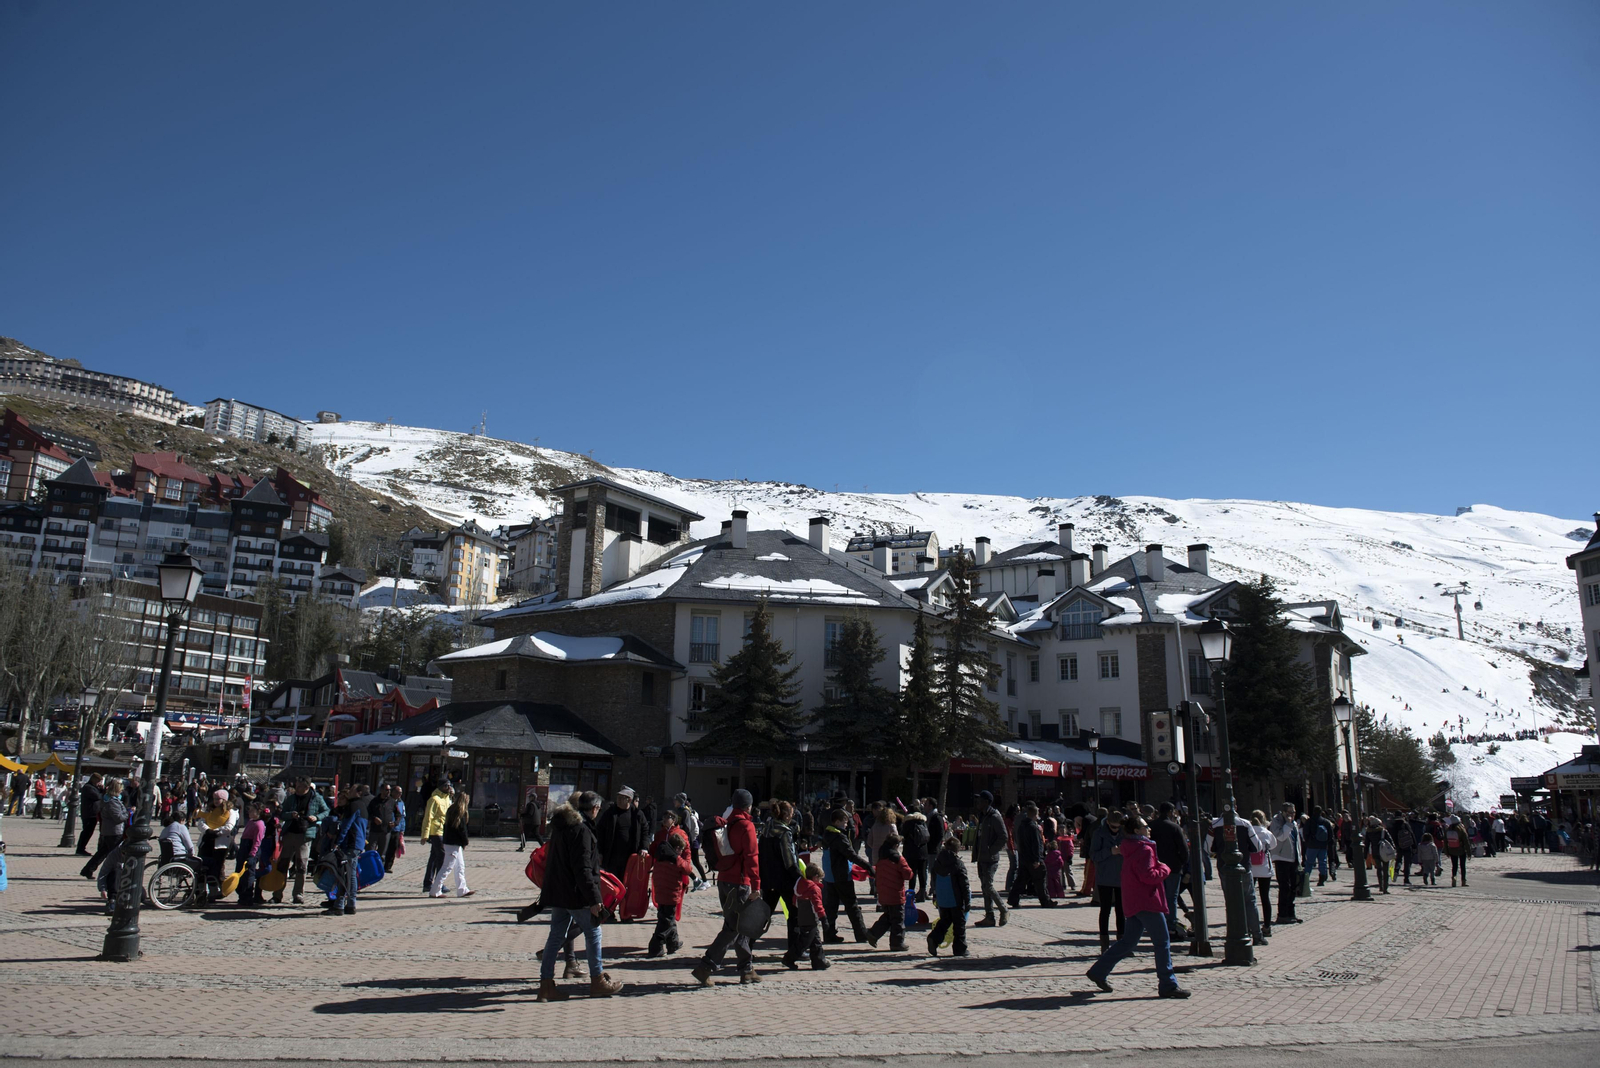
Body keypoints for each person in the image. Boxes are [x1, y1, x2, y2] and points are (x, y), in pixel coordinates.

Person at [1085, 815, 1190, 999]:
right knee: (1162, 942)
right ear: (1136, 830)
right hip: (1147, 901)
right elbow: (1148, 876)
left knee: (1128, 941)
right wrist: (1165, 869)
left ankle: (1099, 971)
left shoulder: (1129, 847)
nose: (1148, 828)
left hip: (1133, 900)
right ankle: (1168, 983)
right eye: (1144, 826)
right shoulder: (1144, 849)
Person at [537, 791, 620, 1000]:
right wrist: (594, 900)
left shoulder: (561, 827)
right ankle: (597, 980)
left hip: (558, 891)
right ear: (594, 809)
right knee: (594, 932)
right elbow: (583, 868)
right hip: (574, 894)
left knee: (555, 936)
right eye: (598, 809)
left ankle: (546, 984)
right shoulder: (580, 830)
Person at [691, 789, 762, 986]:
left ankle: (747, 969)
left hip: (723, 880)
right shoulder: (747, 826)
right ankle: (706, 966)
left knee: (739, 925)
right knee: (733, 928)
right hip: (739, 883)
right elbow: (751, 857)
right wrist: (756, 885)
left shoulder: (727, 822)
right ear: (749, 806)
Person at [818, 806, 872, 944]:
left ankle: (829, 934)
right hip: (841, 875)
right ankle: (861, 934)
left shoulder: (827, 834)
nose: (847, 824)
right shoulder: (839, 837)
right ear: (836, 822)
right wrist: (868, 867)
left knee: (831, 907)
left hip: (829, 876)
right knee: (852, 905)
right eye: (844, 821)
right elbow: (851, 855)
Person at [758, 801, 803, 959]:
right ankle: (795, 950)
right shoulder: (784, 832)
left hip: (768, 879)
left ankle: (746, 946)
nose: (793, 816)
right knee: (794, 914)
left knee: (763, 915)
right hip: (784, 880)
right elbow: (789, 860)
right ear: (785, 815)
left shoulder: (766, 828)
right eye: (791, 813)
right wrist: (800, 878)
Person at [275, 778, 329, 905]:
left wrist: (316, 817)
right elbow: (282, 814)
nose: (297, 788)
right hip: (290, 833)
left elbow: (326, 811)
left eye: (300, 786)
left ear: (307, 787)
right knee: (283, 864)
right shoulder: (291, 798)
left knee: (301, 866)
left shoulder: (316, 798)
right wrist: (290, 815)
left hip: (305, 835)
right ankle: (277, 894)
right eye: (297, 786)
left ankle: (298, 894)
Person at [647, 829, 693, 958]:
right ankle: (655, 946)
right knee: (665, 921)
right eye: (681, 850)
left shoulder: (661, 856)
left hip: (661, 891)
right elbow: (687, 869)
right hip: (670, 892)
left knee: (668, 918)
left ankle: (673, 943)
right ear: (677, 848)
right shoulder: (675, 858)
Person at [323, 787, 368, 916]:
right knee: (351, 875)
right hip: (358, 843)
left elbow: (346, 826)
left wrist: (337, 842)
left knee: (344, 875)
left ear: (359, 792)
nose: (350, 791)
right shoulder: (362, 805)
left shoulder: (353, 806)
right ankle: (351, 904)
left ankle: (339, 905)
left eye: (353, 789)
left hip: (350, 843)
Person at [865, 834, 913, 951]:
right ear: (896, 845)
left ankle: (873, 933)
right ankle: (896, 943)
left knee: (888, 917)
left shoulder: (881, 857)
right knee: (897, 920)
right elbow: (908, 875)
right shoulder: (898, 859)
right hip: (895, 894)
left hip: (884, 893)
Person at [928, 835, 970, 958]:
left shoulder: (938, 861)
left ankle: (934, 938)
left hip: (943, 898)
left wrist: (935, 895)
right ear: (957, 849)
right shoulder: (958, 863)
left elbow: (934, 879)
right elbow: (964, 884)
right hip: (955, 898)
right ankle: (960, 949)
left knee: (945, 921)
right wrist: (967, 901)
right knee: (959, 924)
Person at [1152, 802, 1189, 938]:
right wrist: (1182, 863)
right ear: (1170, 812)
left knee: (1157, 896)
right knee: (1171, 897)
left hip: (1155, 867)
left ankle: (1157, 923)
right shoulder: (1175, 827)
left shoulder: (1152, 826)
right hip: (1173, 867)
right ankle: (1171, 925)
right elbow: (1184, 850)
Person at [1090, 810, 1126, 950]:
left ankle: (1122, 943)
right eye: (1113, 827)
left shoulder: (1124, 834)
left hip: (1121, 877)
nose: (1116, 829)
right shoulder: (1099, 833)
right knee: (1105, 910)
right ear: (1108, 823)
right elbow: (1093, 855)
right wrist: (1110, 851)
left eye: (1118, 827)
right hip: (1104, 877)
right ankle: (1104, 944)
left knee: (1121, 911)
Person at [783, 861, 829, 970]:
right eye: (820, 878)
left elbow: (794, 901)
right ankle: (789, 958)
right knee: (804, 942)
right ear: (815, 877)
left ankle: (819, 961)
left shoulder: (800, 885)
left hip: (802, 916)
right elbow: (817, 905)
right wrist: (823, 918)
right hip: (811, 918)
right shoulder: (814, 889)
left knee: (815, 940)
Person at [595, 787, 649, 879]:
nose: (618, 800)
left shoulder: (637, 814)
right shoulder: (610, 813)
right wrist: (599, 852)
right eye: (618, 797)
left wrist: (644, 847)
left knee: (628, 880)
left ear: (629, 800)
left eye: (622, 798)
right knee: (612, 881)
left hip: (630, 855)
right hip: (612, 855)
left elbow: (645, 831)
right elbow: (600, 832)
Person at [430, 792, 476, 898]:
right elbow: (462, 830)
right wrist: (465, 841)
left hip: (450, 842)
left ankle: (462, 889)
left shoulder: (451, 810)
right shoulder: (460, 812)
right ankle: (435, 890)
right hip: (454, 843)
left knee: (460, 866)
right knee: (447, 867)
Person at [1009, 801, 1054, 909]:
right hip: (1033, 858)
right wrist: (1037, 859)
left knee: (1021, 880)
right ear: (1034, 814)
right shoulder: (1033, 827)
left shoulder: (1021, 826)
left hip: (1024, 857)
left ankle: (1013, 899)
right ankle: (1045, 901)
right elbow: (1036, 844)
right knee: (1040, 879)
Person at [80, 779, 127, 881]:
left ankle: (88, 869)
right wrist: (128, 813)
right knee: (116, 855)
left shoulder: (109, 799)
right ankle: (114, 876)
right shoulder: (111, 802)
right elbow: (118, 817)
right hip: (114, 831)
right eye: (120, 790)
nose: (121, 792)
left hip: (109, 830)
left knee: (102, 852)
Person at [1267, 803, 1302, 925]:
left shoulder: (1293, 823)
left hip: (1293, 858)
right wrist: (1287, 824)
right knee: (1284, 887)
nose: (1292, 815)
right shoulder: (1277, 821)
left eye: (1294, 812)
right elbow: (1281, 837)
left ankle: (1291, 913)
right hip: (1282, 858)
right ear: (1283, 812)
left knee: (1293, 887)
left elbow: (1296, 841)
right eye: (1289, 812)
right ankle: (1282, 914)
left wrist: (1300, 857)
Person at [420, 779, 454, 894]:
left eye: (450, 786)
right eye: (446, 786)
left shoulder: (447, 799)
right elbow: (428, 817)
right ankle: (439, 882)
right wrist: (425, 834)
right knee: (441, 856)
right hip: (436, 831)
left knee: (434, 857)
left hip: (443, 831)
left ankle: (428, 883)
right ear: (441, 787)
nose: (449, 788)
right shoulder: (434, 799)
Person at [1249, 810, 1276, 937]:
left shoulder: (1248, 831)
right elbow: (1273, 845)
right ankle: (1267, 926)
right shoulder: (1267, 833)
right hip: (1264, 868)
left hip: (1251, 868)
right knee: (1265, 898)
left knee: (1250, 898)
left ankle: (1251, 926)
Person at [236, 801, 267, 907]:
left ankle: (248, 896)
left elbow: (257, 842)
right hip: (244, 847)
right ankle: (241, 894)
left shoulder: (259, 824)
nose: (249, 812)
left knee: (249, 873)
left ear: (258, 812)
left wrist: (252, 855)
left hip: (251, 850)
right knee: (240, 872)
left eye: (252, 810)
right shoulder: (250, 821)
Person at [901, 805, 931, 902]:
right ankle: (922, 893)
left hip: (911, 851)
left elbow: (903, 834)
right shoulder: (923, 821)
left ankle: (911, 893)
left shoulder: (908, 822)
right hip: (923, 851)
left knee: (912, 873)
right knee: (922, 873)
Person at [75, 773, 105, 855]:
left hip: (93, 813)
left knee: (89, 831)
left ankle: (81, 848)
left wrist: (101, 789)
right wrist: (103, 791)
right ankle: (80, 848)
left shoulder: (94, 787)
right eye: (98, 781)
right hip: (89, 813)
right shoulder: (88, 787)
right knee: (87, 831)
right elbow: (97, 797)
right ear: (94, 779)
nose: (99, 783)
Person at [1304, 805, 1334, 885]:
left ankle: (1305, 879)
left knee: (1309, 863)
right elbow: (1331, 835)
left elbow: (1305, 833)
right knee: (1322, 862)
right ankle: (1322, 879)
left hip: (1312, 845)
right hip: (1323, 845)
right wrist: (1326, 842)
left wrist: (1308, 842)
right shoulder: (1326, 822)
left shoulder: (1309, 821)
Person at [1443, 814, 1470, 887]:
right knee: (1462, 866)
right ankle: (1463, 881)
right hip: (1461, 849)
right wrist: (1469, 852)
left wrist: (1446, 851)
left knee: (1454, 866)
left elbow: (1445, 841)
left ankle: (1454, 878)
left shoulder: (1448, 829)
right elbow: (1466, 841)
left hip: (1452, 849)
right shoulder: (1461, 828)